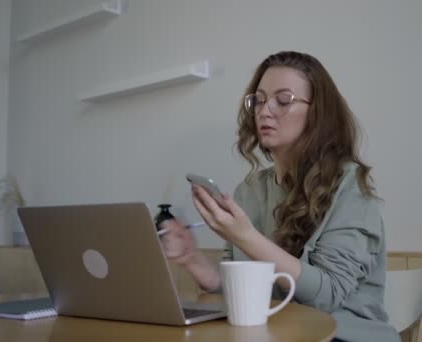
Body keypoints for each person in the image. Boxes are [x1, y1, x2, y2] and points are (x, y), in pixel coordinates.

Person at [160, 51, 400, 342]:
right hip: (276, 333)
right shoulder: (249, 190)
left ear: (318, 113)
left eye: (283, 100)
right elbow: (239, 292)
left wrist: (246, 236)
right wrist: (192, 258)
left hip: (344, 336)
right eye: (258, 100)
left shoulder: (350, 186)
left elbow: (328, 296)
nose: (264, 111)